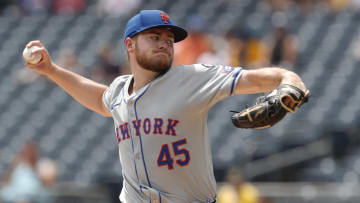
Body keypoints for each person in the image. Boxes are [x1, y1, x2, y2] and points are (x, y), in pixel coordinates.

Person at [24, 10, 307, 203]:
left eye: (169, 40)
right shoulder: (120, 89)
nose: (165, 44)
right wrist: (52, 70)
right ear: (130, 45)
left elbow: (258, 78)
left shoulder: (192, 78)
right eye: (155, 37)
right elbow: (100, 99)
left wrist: (290, 81)